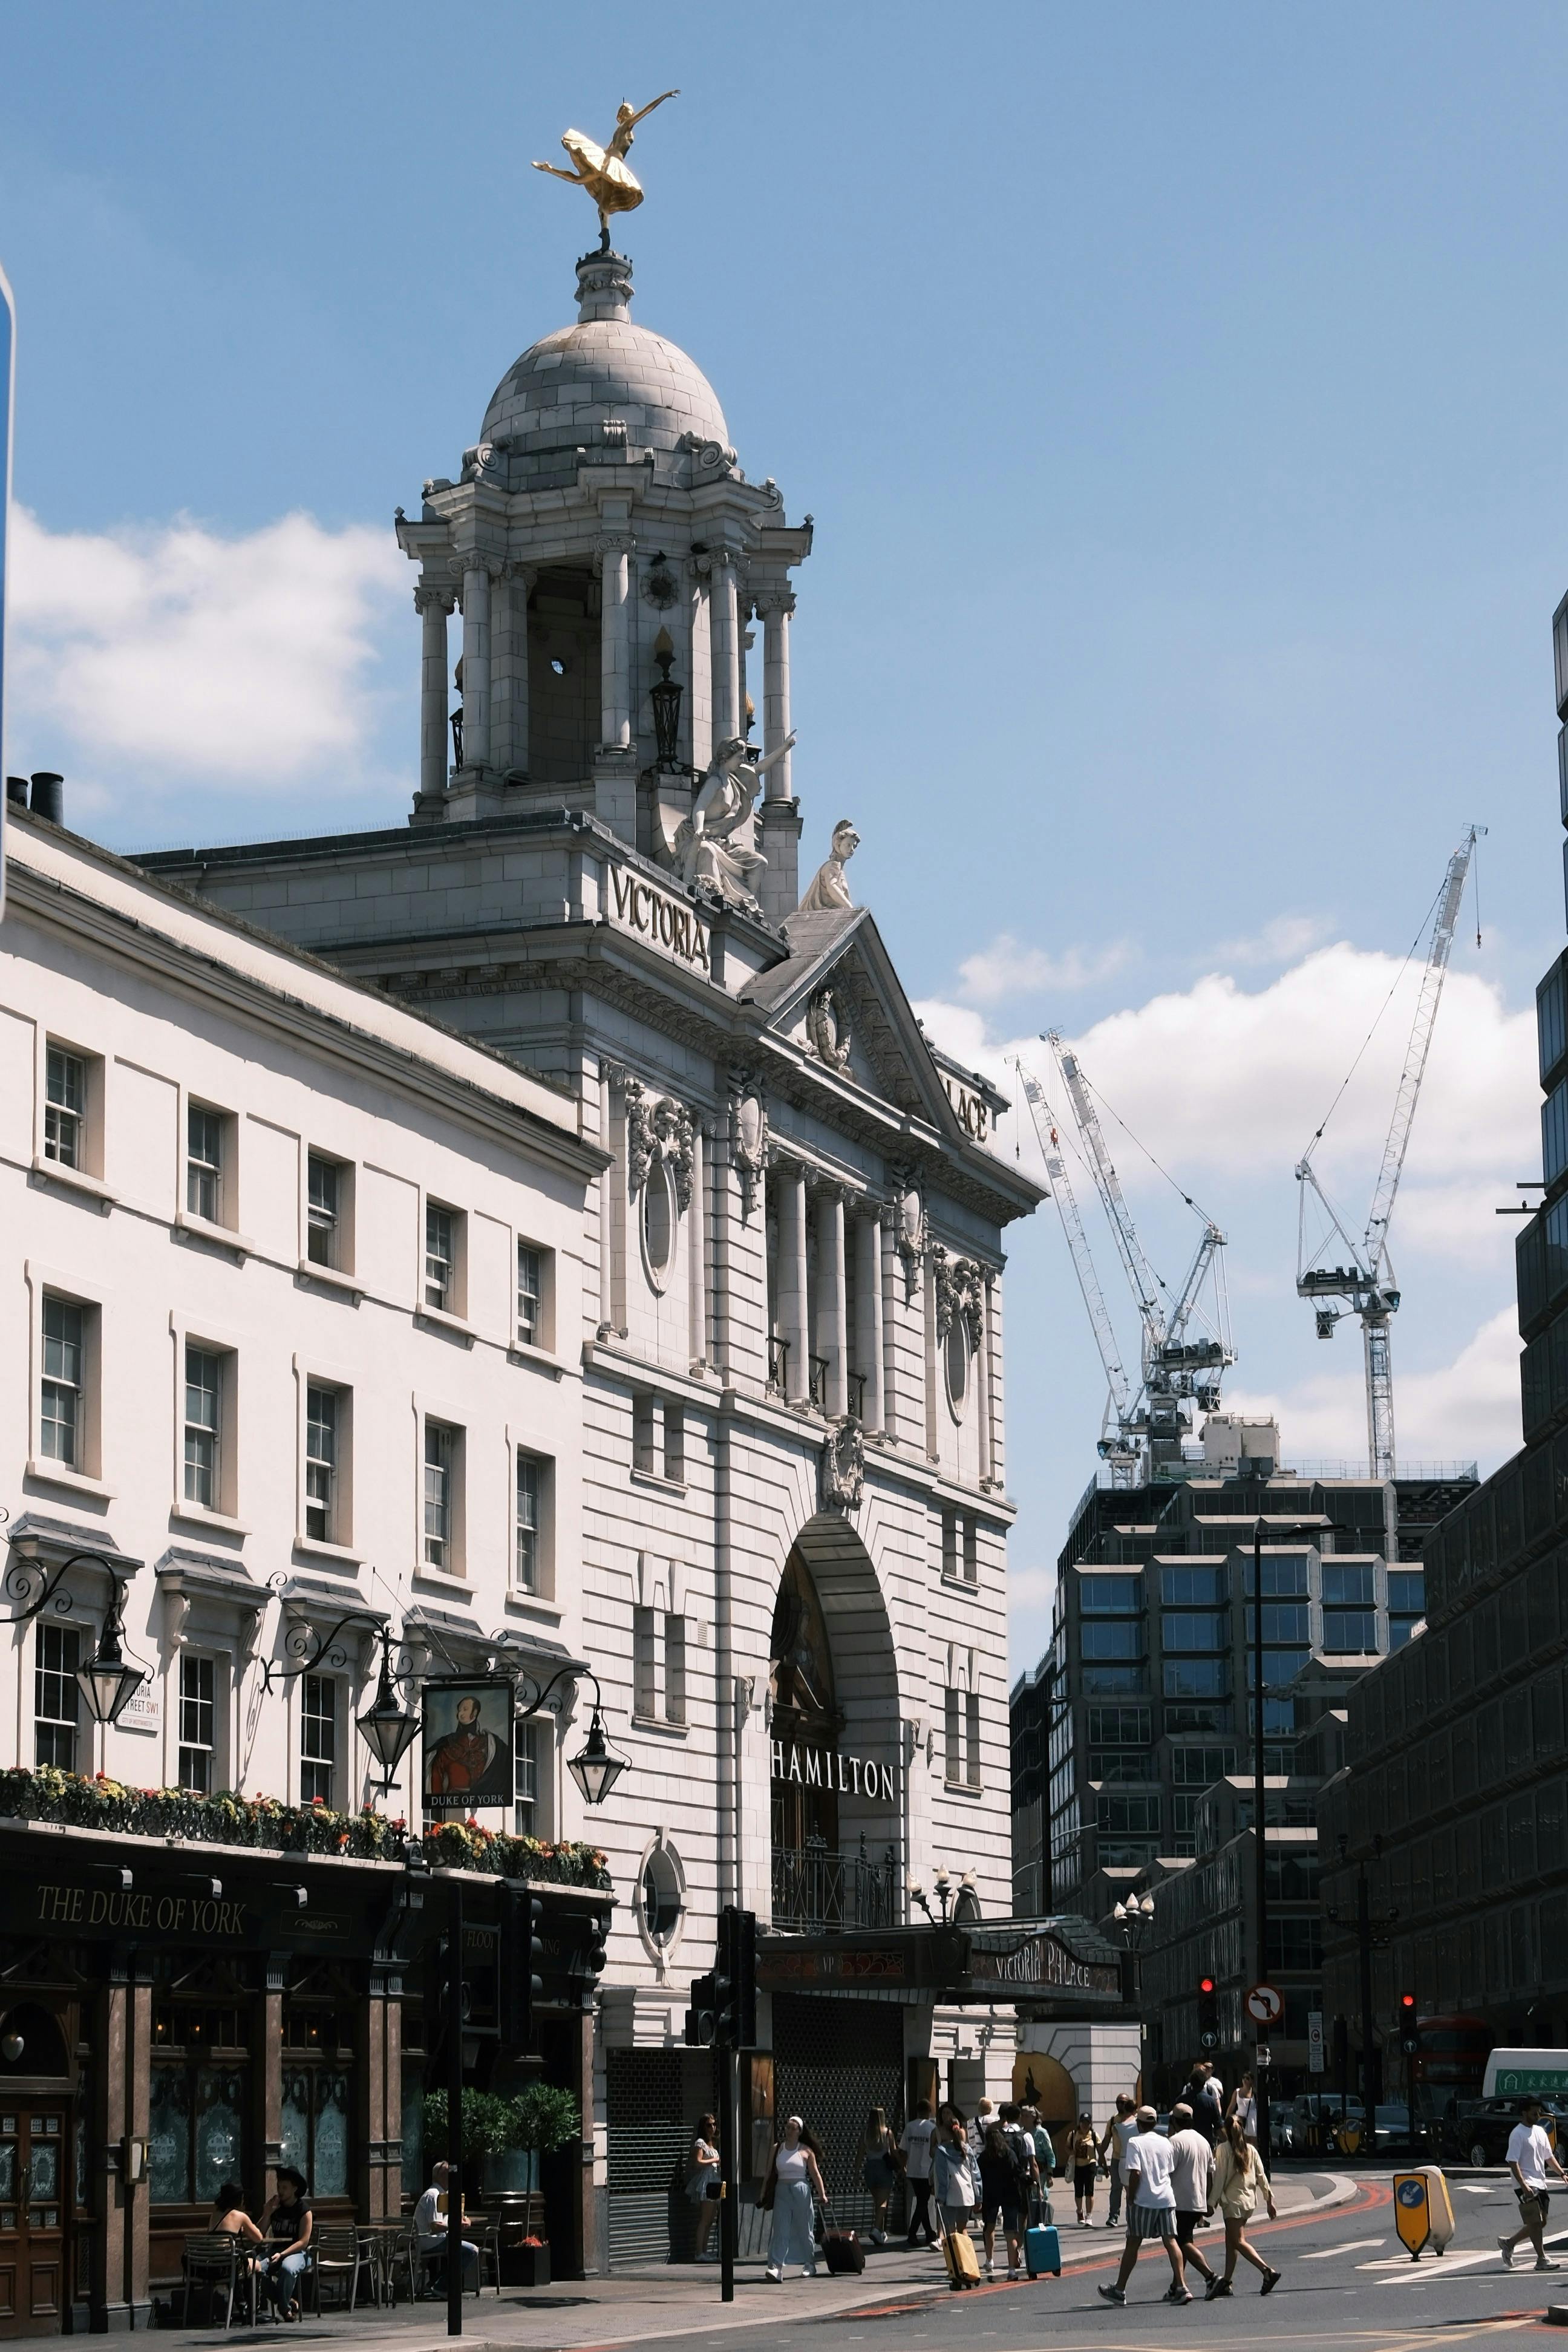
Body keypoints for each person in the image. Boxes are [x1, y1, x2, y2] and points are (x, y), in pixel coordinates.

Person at [1097, 2103, 1191, 2306]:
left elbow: (1136, 2173)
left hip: (1144, 2200)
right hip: (1166, 2199)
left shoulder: (1135, 2143)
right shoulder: (1166, 2142)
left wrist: (1131, 2196)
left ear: (1138, 2124)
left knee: (1133, 2243)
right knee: (1171, 2242)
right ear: (1156, 2123)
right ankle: (1182, 2287)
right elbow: (1170, 2171)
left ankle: (1120, 2289)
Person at [1207, 2113, 1281, 2297]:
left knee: (1238, 2241)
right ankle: (1227, 2281)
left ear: (1226, 2130)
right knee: (1231, 2241)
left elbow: (1220, 2178)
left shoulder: (1223, 2149)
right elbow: (1262, 2177)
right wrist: (1269, 2200)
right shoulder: (1251, 2150)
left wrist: (1211, 2203)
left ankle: (1266, 2271)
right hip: (1248, 2202)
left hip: (1233, 2203)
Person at [1500, 2097, 1566, 2271]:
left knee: (1542, 2221)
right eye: (1534, 2113)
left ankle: (1509, 2243)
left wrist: (1562, 2173)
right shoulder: (1517, 2134)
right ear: (1524, 2113)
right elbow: (1512, 2162)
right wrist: (1523, 2186)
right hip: (1526, 2183)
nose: (1537, 2116)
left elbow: (1549, 2157)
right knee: (1536, 2221)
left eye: (1538, 2113)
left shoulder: (1540, 2132)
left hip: (1540, 2182)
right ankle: (1541, 2259)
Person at [760, 2115, 826, 2282]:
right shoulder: (778, 2148)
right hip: (782, 2191)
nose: (789, 2131)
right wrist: (763, 2192)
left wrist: (822, 2195)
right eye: (788, 2127)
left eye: (793, 2128)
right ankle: (776, 2267)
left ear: (800, 2132)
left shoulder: (806, 2151)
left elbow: (815, 2174)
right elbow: (768, 2172)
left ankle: (809, 2264)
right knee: (781, 2229)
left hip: (800, 2191)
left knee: (804, 2228)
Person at [1166, 2103, 1220, 2291]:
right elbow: (1209, 2174)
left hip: (1180, 2201)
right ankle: (1176, 2285)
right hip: (1198, 2200)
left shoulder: (1174, 2142)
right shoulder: (1203, 2141)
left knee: (1182, 2243)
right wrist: (1209, 2201)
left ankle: (1211, 2277)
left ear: (1174, 2121)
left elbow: (1167, 2173)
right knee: (1184, 2243)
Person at [414, 2160, 480, 2295]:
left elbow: (454, 2216)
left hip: (439, 2239)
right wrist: (455, 2226)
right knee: (472, 2251)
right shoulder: (434, 2195)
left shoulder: (444, 2194)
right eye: (447, 2174)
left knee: (459, 2252)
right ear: (439, 2176)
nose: (451, 2177)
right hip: (429, 2240)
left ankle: (435, 2283)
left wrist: (466, 2219)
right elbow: (435, 2226)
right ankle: (441, 2286)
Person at [260, 2167, 314, 2320]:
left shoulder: (304, 2210)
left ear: (295, 2189)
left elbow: (303, 2242)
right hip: (275, 2251)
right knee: (255, 2266)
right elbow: (259, 2234)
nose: (280, 2191)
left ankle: (284, 2308)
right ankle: (284, 2300)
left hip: (298, 2254)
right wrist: (268, 2212)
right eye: (278, 2187)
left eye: (285, 2188)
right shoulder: (277, 2209)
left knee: (288, 2268)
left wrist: (283, 2254)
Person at [978, 2121, 1028, 2281]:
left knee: (989, 2228)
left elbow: (978, 2175)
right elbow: (1018, 2171)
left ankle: (990, 2260)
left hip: (991, 2195)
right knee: (1010, 2233)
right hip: (1010, 2194)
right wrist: (1030, 2182)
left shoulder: (985, 2156)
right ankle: (1012, 2270)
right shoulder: (1009, 2153)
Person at [932, 2114, 979, 2250]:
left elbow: (942, 2178)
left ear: (946, 2131)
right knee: (963, 2230)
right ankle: (968, 2262)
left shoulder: (941, 2151)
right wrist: (978, 2196)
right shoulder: (966, 2149)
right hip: (967, 2194)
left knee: (950, 2233)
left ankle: (954, 2265)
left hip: (950, 2196)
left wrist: (940, 2197)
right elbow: (975, 2174)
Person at [900, 2100, 938, 2247]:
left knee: (923, 2200)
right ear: (929, 2111)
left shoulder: (910, 2127)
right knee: (923, 2202)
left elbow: (903, 2149)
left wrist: (903, 2168)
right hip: (926, 2170)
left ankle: (929, 2233)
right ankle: (912, 2233)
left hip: (913, 2169)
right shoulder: (932, 2128)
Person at [1099, 2093, 1139, 2227]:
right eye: (1118, 2102)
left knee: (1133, 2189)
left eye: (1122, 2102)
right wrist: (1101, 2156)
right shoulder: (1113, 2121)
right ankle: (1113, 2216)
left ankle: (1133, 2216)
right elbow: (1106, 2140)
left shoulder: (1136, 2120)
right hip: (1117, 2159)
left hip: (1133, 2159)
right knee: (1116, 2188)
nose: (1120, 2105)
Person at [861, 2105, 899, 2246]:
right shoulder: (888, 2132)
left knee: (878, 2200)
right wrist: (902, 2166)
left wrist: (856, 2173)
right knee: (883, 2202)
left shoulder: (866, 2133)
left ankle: (881, 2234)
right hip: (884, 2168)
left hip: (870, 2168)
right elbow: (894, 2151)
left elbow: (860, 2154)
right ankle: (876, 2229)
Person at [687, 2114, 720, 2263]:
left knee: (711, 2219)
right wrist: (715, 2160)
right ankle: (699, 2252)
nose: (712, 2128)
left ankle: (705, 2252)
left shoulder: (712, 2144)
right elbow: (698, 2162)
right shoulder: (700, 2143)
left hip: (716, 2181)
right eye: (709, 2125)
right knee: (705, 2219)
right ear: (703, 2127)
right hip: (707, 2182)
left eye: (714, 2125)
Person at [1020, 2105, 1056, 2224]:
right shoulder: (1021, 2132)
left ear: (1033, 2117)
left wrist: (1050, 2174)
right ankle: (1029, 2226)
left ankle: (1041, 2225)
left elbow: (1050, 2155)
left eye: (1026, 2116)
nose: (1023, 2118)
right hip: (1026, 2173)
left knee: (1040, 2200)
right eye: (1022, 2115)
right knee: (1027, 2202)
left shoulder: (1041, 2133)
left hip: (1040, 2172)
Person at [1180, 2060, 1223, 2147]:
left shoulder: (1212, 2089)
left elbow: (1218, 2109)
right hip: (1196, 2139)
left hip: (1200, 2138)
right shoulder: (1187, 2090)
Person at [1067, 2112, 1099, 2225]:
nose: (1085, 2125)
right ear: (1079, 2123)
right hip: (1077, 2166)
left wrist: (1104, 2166)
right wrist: (1072, 2153)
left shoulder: (1094, 2135)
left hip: (1090, 2165)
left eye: (1087, 2123)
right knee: (1079, 2191)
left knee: (1089, 2191)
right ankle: (1080, 2211)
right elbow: (1067, 2148)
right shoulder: (1073, 2134)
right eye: (1083, 2123)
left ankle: (1089, 2215)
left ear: (1090, 2124)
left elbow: (1099, 2149)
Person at [1227, 2072, 1258, 2146]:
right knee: (1240, 2141)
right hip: (1240, 2119)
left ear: (1252, 2081)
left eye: (1248, 2078)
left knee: (1252, 2143)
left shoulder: (1255, 2093)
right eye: (1243, 2078)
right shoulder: (1237, 2092)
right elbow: (1231, 2107)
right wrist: (1227, 2120)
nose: (1245, 2080)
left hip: (1252, 2120)